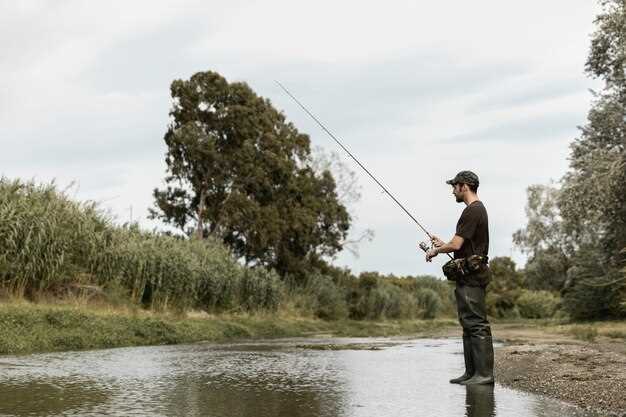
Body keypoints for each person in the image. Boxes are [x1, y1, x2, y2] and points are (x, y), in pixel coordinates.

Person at [423, 170, 494, 385]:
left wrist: (436, 250)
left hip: (472, 277)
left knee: (477, 324)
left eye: (454, 186)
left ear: (464, 186)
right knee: (467, 324)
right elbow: (461, 247)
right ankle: (471, 373)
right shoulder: (473, 211)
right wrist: (442, 244)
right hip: (467, 276)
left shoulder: (473, 211)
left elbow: (456, 245)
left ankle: (484, 375)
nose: (453, 190)